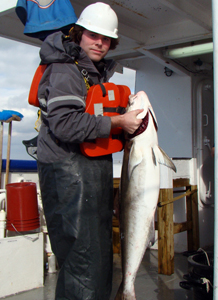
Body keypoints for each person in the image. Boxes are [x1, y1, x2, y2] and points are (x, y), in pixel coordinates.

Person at [36, 3, 143, 299]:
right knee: (82, 263)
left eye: (106, 39)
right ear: (79, 34)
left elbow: (91, 115)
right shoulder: (65, 69)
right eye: (94, 35)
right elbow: (64, 123)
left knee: (95, 261)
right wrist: (117, 121)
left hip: (89, 174)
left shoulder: (92, 72)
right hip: (67, 173)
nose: (100, 43)